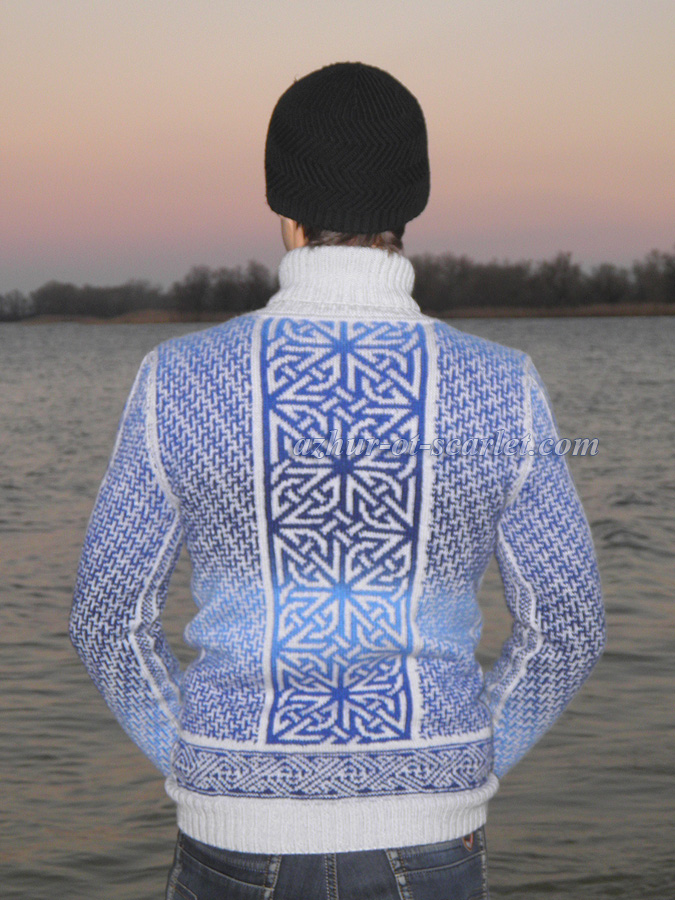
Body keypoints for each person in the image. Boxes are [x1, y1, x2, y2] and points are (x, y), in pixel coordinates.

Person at [70, 62, 606, 900]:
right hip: (428, 833)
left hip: (229, 831)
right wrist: (462, 754)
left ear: (284, 209)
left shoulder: (179, 377)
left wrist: (201, 756)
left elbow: (107, 617)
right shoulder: (501, 385)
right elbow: (567, 625)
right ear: (410, 205)